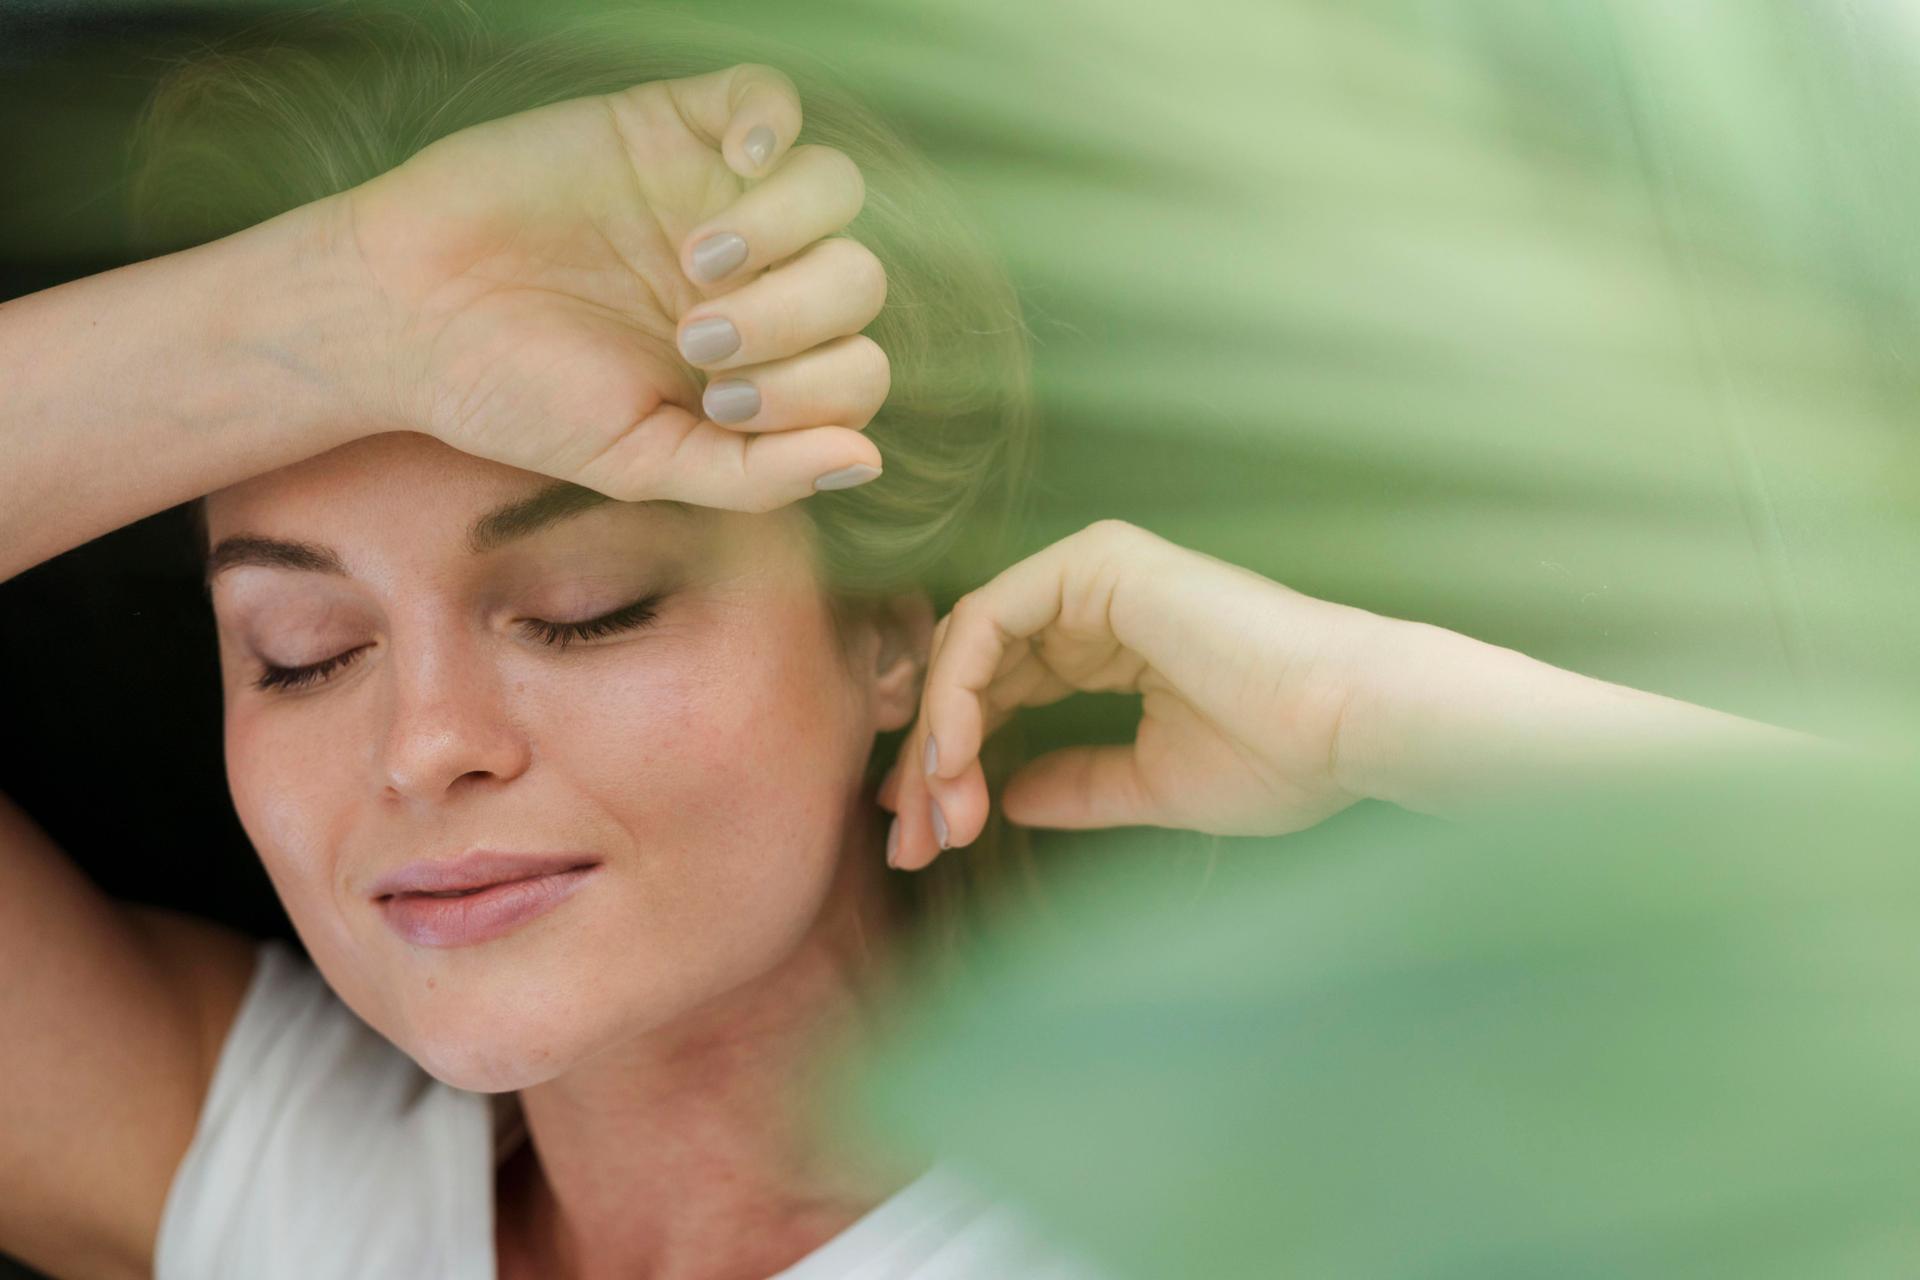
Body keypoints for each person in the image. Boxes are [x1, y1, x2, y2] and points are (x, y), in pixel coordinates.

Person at [0, 6, 1803, 1280]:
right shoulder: (272, 1204)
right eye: (301, 648)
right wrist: (339, 310)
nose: (425, 743)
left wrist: (1371, 709)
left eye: (582, 607)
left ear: (888, 630)